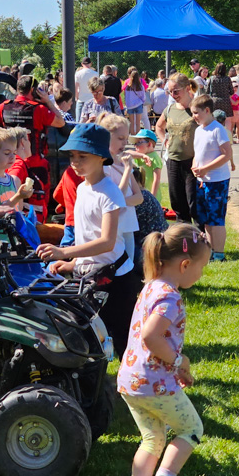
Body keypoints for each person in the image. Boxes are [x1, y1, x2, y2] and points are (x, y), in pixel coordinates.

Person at [116, 223, 210, 476]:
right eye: (202, 267)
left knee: (153, 439)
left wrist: (175, 365)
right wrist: (178, 361)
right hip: (152, 381)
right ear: (185, 264)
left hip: (131, 380)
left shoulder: (150, 287)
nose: (202, 273)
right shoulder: (169, 297)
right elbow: (151, 336)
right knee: (191, 429)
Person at [36, 124, 141, 359]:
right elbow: (88, 236)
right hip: (92, 275)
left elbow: (106, 242)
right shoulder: (83, 188)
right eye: (72, 155)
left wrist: (64, 253)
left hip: (117, 280)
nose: (75, 161)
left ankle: (136, 386)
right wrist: (74, 264)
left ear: (102, 157)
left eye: (82, 156)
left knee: (124, 341)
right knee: (89, 339)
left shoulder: (110, 192)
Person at [0, 74, 66, 221]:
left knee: (10, 198)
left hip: (9, 162)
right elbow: (61, 122)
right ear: (33, 90)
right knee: (36, 209)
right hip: (35, 164)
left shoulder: (4, 107)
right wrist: (48, 102)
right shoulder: (38, 109)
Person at [190, 95, 232, 262]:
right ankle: (210, 250)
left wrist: (205, 168)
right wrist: (195, 166)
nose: (194, 116)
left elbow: (226, 154)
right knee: (207, 219)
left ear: (207, 110)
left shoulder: (217, 129)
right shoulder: (199, 129)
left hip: (217, 181)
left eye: (196, 113)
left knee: (217, 219)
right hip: (202, 180)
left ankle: (219, 254)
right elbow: (197, 153)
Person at [98, 112, 143, 263]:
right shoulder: (103, 166)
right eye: (120, 139)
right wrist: (127, 170)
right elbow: (116, 197)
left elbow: (139, 197)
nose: (125, 143)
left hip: (128, 225)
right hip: (113, 228)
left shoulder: (122, 163)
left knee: (128, 265)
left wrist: (123, 200)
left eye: (126, 138)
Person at [155, 73, 198, 224]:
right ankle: (184, 240)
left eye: (176, 91)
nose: (173, 95)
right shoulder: (170, 109)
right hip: (173, 161)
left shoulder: (197, 108)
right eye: (170, 91)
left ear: (187, 88)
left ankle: (199, 240)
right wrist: (164, 142)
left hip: (193, 162)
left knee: (194, 204)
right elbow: (159, 127)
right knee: (178, 204)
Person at [131, 129, 164, 199]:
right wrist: (142, 156)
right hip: (141, 192)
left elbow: (156, 179)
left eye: (139, 143)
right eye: (135, 143)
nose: (135, 146)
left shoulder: (155, 158)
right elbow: (127, 153)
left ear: (149, 144)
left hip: (152, 194)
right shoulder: (140, 155)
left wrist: (152, 196)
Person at [207, 63, 235, 132]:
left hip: (214, 101)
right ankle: (228, 137)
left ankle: (215, 134)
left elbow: (207, 91)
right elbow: (232, 91)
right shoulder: (227, 79)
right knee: (228, 119)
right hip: (225, 101)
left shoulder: (212, 78)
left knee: (214, 119)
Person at [124, 69, 146, 135]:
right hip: (138, 104)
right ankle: (138, 137)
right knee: (138, 123)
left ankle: (133, 136)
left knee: (132, 122)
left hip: (130, 106)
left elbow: (126, 97)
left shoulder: (128, 87)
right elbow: (143, 96)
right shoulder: (140, 86)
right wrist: (142, 101)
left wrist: (127, 105)